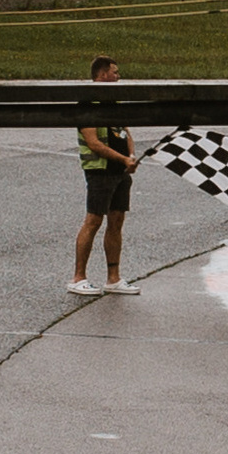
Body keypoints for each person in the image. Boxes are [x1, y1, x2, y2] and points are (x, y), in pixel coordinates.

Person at [72, 56, 141, 296]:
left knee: (116, 221)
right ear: (102, 75)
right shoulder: (88, 103)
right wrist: (123, 159)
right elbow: (93, 143)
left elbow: (126, 131)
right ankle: (78, 277)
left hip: (120, 172)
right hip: (100, 171)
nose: (118, 76)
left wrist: (131, 156)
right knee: (93, 221)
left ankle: (113, 278)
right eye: (115, 72)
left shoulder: (114, 101)